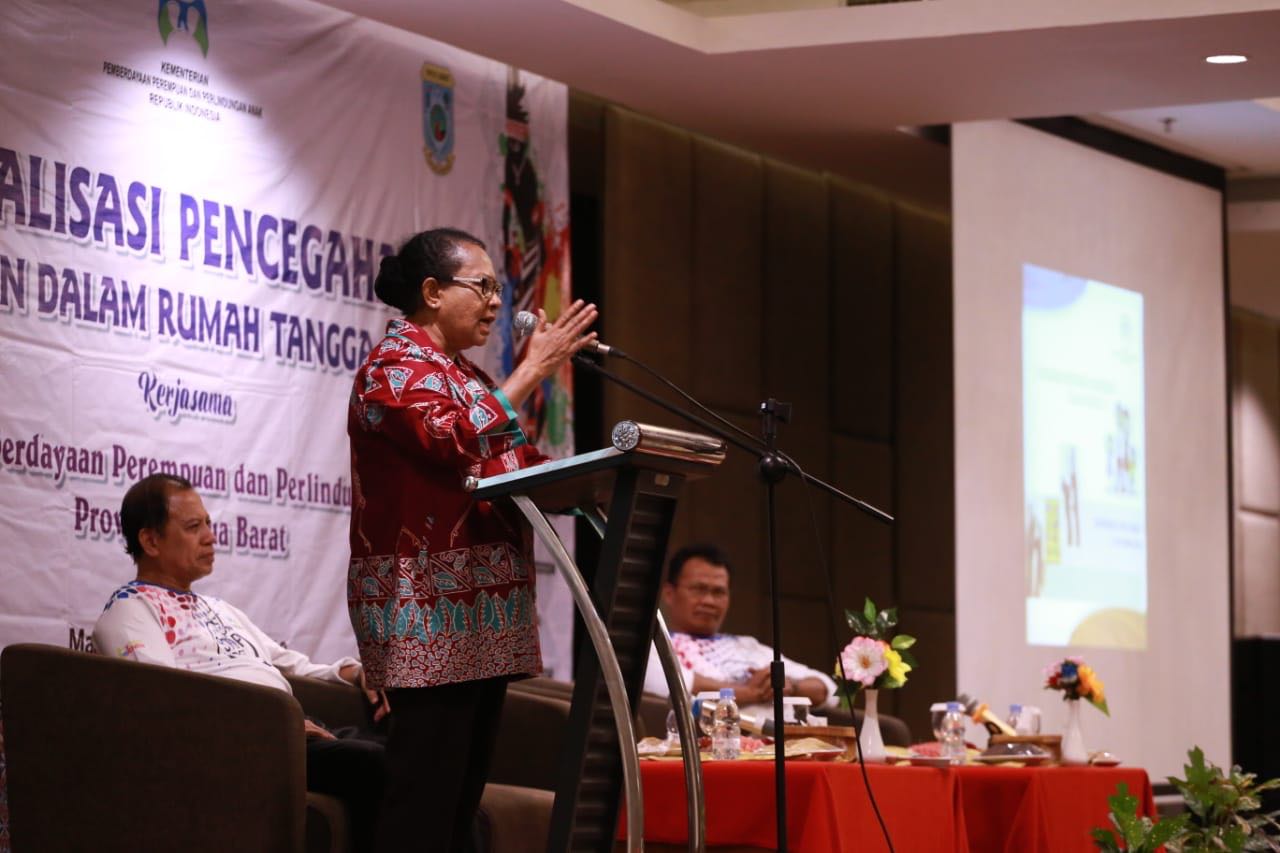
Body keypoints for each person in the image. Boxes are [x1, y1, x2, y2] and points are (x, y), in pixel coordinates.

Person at [347, 227, 596, 852]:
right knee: (422, 804)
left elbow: (508, 462)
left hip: (482, 612)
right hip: (426, 612)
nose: (495, 302)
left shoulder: (463, 374)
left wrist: (592, 480)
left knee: (459, 804)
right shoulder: (391, 369)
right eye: (483, 286)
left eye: (497, 288)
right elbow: (452, 439)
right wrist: (533, 369)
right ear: (433, 291)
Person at [93, 474, 388, 853]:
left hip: (292, 731)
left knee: (414, 754)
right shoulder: (130, 609)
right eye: (193, 527)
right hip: (244, 746)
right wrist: (274, 724)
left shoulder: (219, 608)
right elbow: (164, 699)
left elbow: (291, 664)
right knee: (378, 764)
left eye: (208, 524)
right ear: (150, 541)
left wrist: (359, 671)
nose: (210, 537)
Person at [643, 544, 837, 724]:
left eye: (718, 592)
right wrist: (750, 692)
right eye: (698, 589)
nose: (709, 601)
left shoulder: (747, 646)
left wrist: (788, 686)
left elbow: (829, 691)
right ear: (669, 593)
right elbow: (668, 683)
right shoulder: (655, 645)